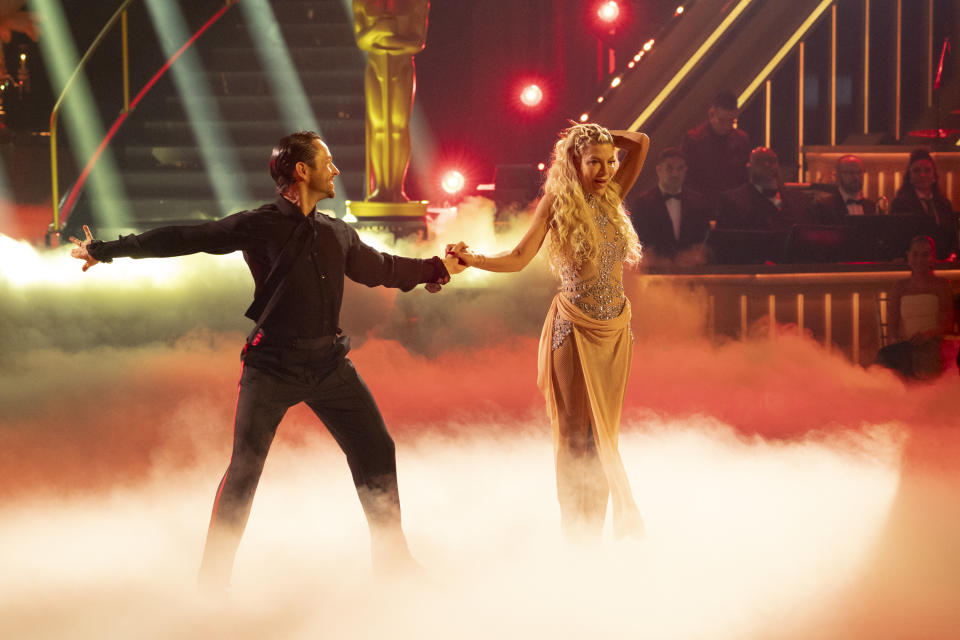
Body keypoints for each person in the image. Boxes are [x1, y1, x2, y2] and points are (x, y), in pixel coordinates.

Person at [69, 131, 465, 590]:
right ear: (302, 171)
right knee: (244, 470)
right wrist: (107, 250)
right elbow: (187, 237)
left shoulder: (337, 231)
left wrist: (437, 269)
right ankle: (212, 582)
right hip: (271, 367)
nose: (335, 170)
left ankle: (392, 560)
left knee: (377, 450)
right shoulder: (261, 224)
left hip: (329, 367)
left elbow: (382, 268)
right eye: (327, 161)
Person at [447, 123, 649, 541]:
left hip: (616, 331)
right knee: (577, 440)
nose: (606, 169)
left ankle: (591, 538)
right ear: (575, 162)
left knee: (603, 439)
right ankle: (577, 539)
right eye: (594, 161)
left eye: (610, 161)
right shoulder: (558, 202)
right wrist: (474, 259)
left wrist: (593, 134)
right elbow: (520, 257)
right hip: (574, 329)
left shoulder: (612, 194)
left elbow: (642, 142)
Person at [875, 236, 956, 380]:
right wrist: (897, 340)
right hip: (906, 344)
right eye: (915, 254)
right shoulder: (900, 287)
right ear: (908, 257)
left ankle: (926, 394)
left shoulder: (941, 286)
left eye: (925, 255)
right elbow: (892, 325)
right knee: (886, 356)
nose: (920, 260)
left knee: (926, 353)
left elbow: (947, 325)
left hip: (933, 343)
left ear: (933, 258)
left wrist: (927, 335)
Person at [630, 146, 712, 268]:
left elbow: (704, 241)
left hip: (692, 274)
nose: (675, 173)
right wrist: (662, 262)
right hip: (654, 275)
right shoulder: (643, 203)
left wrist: (695, 256)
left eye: (680, 168)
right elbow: (639, 244)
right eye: (669, 168)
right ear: (658, 170)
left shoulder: (698, 202)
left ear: (686, 170)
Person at [716, 146, 816, 232]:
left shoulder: (799, 201)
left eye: (771, 161)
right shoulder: (733, 202)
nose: (767, 165)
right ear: (749, 168)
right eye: (760, 161)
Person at [680, 90, 751, 200]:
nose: (727, 126)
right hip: (701, 204)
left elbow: (745, 179)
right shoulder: (693, 140)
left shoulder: (742, 140)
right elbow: (686, 179)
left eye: (731, 121)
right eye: (721, 121)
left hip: (733, 207)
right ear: (711, 114)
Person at [890, 149, 958, 260]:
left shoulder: (944, 204)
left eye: (927, 170)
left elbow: (952, 235)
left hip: (944, 263)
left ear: (934, 176)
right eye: (916, 171)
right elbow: (898, 239)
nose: (922, 175)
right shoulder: (900, 205)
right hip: (916, 263)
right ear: (909, 177)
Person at [811, 154, 877, 224]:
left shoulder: (871, 207)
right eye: (850, 173)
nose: (856, 177)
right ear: (838, 176)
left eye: (859, 172)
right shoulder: (824, 207)